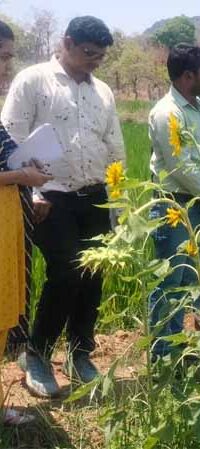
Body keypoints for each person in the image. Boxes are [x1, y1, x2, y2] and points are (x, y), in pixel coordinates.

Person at [1, 16, 125, 398]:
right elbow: (12, 140)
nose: (94, 62)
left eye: (100, 57)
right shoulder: (33, 81)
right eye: (88, 53)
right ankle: (37, 354)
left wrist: (118, 199)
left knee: (94, 274)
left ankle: (79, 353)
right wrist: (33, 193)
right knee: (66, 272)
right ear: (67, 43)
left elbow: (114, 144)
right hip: (50, 197)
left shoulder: (103, 91)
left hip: (95, 193)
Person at [147, 43, 200, 360]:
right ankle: (163, 353)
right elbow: (181, 166)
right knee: (171, 279)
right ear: (188, 76)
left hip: (198, 203)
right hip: (174, 207)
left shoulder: (198, 107)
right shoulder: (168, 113)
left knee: (192, 276)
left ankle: (179, 344)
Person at [0, 18, 52, 426]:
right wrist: (21, 175)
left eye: (9, 58)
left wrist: (26, 165)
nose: (6, 67)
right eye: (1, 58)